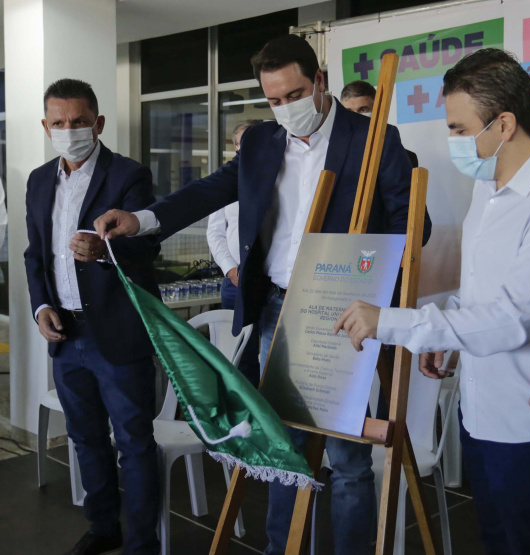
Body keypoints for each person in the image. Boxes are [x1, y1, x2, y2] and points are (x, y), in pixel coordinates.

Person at [95, 34, 431, 555]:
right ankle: (283, 547)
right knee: (284, 447)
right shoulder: (260, 142)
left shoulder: (374, 140)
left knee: (346, 458)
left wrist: (369, 274)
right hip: (278, 307)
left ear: (320, 81)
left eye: (293, 95)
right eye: (273, 100)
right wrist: (140, 220)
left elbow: (415, 228)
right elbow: (207, 191)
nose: (285, 108)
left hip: (344, 312)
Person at [333, 48, 530, 555]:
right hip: (480, 408)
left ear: (503, 124)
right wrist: (450, 333)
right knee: (496, 541)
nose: (451, 140)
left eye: (458, 128)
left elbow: (516, 318)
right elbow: (479, 292)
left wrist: (390, 322)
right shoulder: (489, 186)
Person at [25, 79, 161, 555]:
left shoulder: (128, 175)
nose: (69, 130)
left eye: (79, 121)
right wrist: (41, 306)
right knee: (85, 439)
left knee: (134, 443)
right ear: (46, 127)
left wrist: (106, 251)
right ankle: (104, 527)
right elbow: (34, 254)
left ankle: (143, 543)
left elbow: (147, 246)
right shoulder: (39, 180)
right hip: (66, 333)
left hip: (118, 334)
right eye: (58, 123)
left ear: (98, 123)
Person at [206, 119, 261, 387]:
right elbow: (215, 232)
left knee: (275, 353)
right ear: (235, 146)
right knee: (240, 356)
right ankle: (246, 420)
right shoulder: (227, 181)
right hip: (235, 282)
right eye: (244, 143)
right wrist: (230, 268)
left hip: (271, 282)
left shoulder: (276, 175)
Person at [341, 79, 419, 168]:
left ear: (377, 111)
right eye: (349, 112)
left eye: (363, 110)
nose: (355, 117)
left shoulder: (406, 158)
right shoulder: (333, 157)